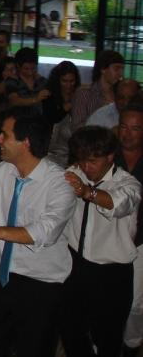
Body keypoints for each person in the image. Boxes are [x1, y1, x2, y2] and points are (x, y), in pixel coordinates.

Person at [0, 110, 76, 357]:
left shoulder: (60, 182)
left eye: (4, 135)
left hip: (43, 284)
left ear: (25, 142)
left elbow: (46, 231)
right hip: (3, 278)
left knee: (34, 349)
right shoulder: (0, 173)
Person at [60, 126, 141, 357]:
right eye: (82, 160)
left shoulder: (128, 184)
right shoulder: (75, 172)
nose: (86, 167)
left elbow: (118, 204)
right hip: (75, 264)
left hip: (112, 274)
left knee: (108, 337)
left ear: (110, 157)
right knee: (70, 328)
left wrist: (88, 192)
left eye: (93, 161)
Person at [118, 104, 143, 356]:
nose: (128, 134)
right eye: (124, 127)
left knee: (136, 303)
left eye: (135, 129)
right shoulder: (104, 155)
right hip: (107, 241)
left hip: (141, 242)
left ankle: (131, 345)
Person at [71, 49, 125, 130]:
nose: (120, 74)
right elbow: (77, 127)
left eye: (122, 69)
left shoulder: (119, 95)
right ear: (103, 69)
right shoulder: (84, 94)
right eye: (116, 69)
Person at [43, 60, 80, 166]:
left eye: (72, 81)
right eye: (64, 81)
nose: (68, 85)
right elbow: (52, 118)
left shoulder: (79, 96)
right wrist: (66, 107)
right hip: (51, 150)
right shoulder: (48, 97)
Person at [5, 47, 48, 116]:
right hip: (17, 120)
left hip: (38, 120)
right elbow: (14, 101)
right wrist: (36, 99)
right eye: (26, 69)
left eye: (33, 68)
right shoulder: (12, 81)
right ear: (18, 66)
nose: (30, 72)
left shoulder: (41, 81)